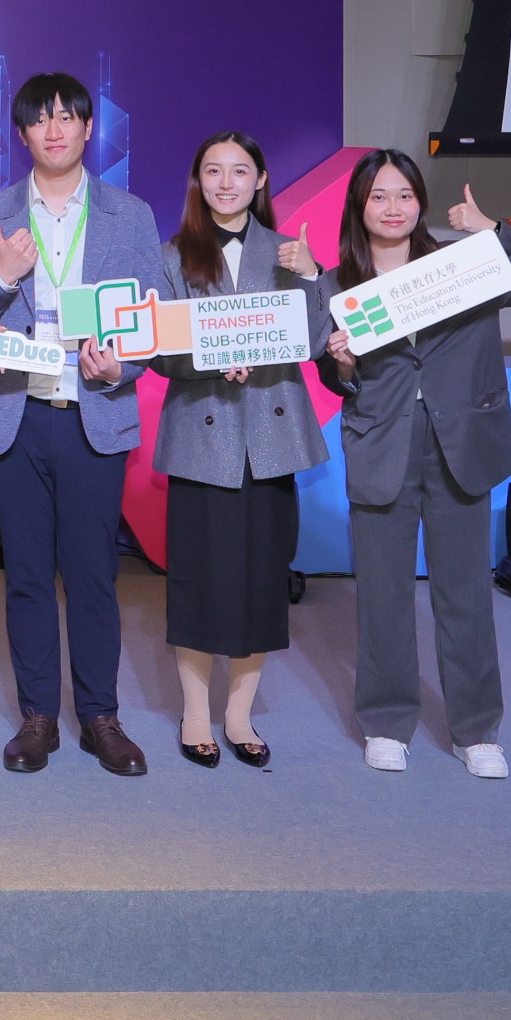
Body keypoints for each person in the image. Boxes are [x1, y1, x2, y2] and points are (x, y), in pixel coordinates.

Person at [319, 148, 511, 780]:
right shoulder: (336, 284)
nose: (393, 207)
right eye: (379, 196)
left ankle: (476, 729)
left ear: (420, 204)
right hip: (381, 446)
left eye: (404, 195)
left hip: (460, 445)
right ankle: (386, 722)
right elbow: (334, 378)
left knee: (465, 595)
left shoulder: (464, 264)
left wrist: (493, 230)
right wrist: (343, 365)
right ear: (359, 206)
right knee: (383, 595)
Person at [0, 70, 164, 777]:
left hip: (92, 413)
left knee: (94, 574)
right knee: (25, 575)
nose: (54, 129)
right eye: (40, 119)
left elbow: (152, 321)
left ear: (86, 127)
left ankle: (101, 716)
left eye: (66, 116)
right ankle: (38, 717)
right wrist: (4, 276)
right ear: (22, 134)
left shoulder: (129, 215)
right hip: (14, 414)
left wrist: (122, 368)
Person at [152, 130, 334, 769]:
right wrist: (209, 358)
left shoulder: (289, 253)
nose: (225, 182)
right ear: (197, 181)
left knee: (261, 580)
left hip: (271, 436)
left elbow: (318, 341)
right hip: (202, 435)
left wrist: (313, 274)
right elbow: (159, 352)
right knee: (198, 581)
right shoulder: (172, 256)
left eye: (238, 171)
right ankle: (194, 713)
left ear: (260, 179)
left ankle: (239, 715)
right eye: (212, 170)